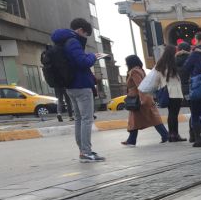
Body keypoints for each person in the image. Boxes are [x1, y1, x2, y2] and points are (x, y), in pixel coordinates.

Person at [51, 18, 109, 163]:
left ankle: (83, 151)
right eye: (86, 34)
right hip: (81, 85)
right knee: (86, 119)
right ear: (80, 30)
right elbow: (82, 62)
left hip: (70, 86)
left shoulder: (62, 41)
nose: (85, 37)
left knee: (78, 118)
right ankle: (86, 151)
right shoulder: (73, 41)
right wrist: (92, 56)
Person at [120, 55, 169, 146]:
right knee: (147, 118)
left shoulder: (134, 72)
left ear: (130, 62)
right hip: (142, 97)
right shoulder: (140, 70)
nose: (126, 64)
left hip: (138, 99)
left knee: (149, 118)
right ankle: (132, 139)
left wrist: (143, 99)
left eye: (127, 62)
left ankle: (165, 135)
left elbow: (140, 86)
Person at [154, 45, 186, 142]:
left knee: (171, 114)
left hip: (166, 92)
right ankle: (175, 135)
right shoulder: (173, 64)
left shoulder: (160, 65)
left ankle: (171, 135)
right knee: (174, 115)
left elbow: (157, 79)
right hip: (175, 92)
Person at [175, 42, 194, 142]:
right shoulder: (191, 58)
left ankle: (192, 134)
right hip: (192, 87)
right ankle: (194, 134)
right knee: (195, 110)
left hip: (180, 90)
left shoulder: (174, 61)